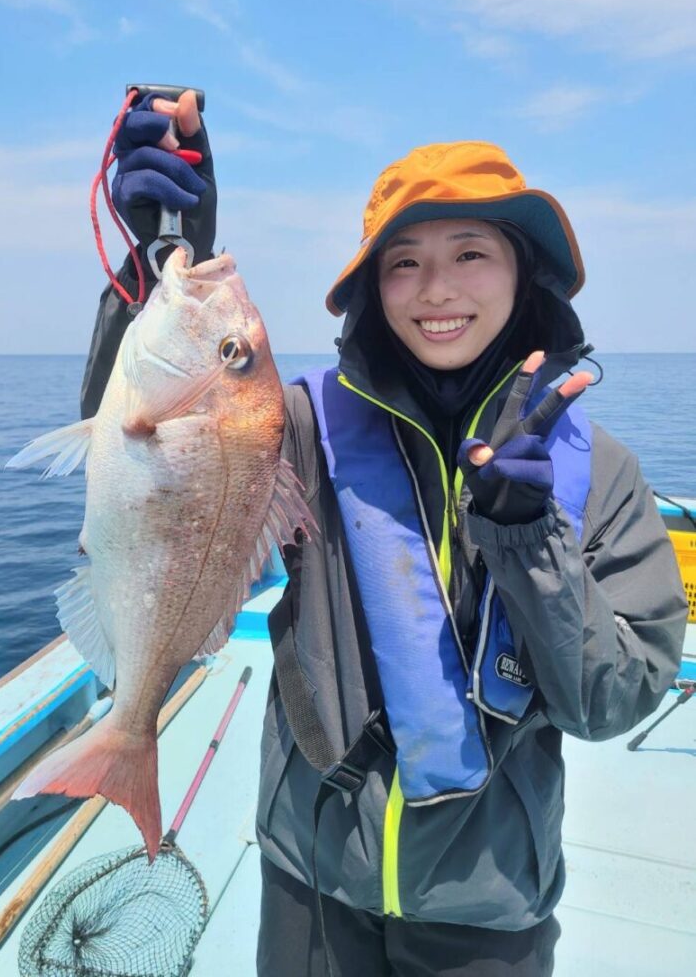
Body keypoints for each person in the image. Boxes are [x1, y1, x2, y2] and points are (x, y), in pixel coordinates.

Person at [81, 90, 688, 977]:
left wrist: (530, 541)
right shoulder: (296, 427)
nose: (436, 289)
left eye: (471, 253)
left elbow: (615, 703)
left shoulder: (600, 473)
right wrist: (157, 266)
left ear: (524, 273)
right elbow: (153, 455)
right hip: (311, 875)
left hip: (491, 906)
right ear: (372, 286)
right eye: (404, 263)